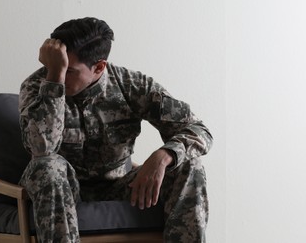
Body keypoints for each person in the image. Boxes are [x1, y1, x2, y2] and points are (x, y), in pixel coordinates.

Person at [18, 17, 213, 243]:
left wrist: (163, 156)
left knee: (189, 164)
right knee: (47, 166)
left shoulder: (131, 85)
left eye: (69, 70)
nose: (61, 74)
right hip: (60, 188)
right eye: (54, 65)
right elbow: (41, 148)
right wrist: (55, 78)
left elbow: (200, 131)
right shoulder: (38, 84)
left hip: (120, 186)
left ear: (99, 67)